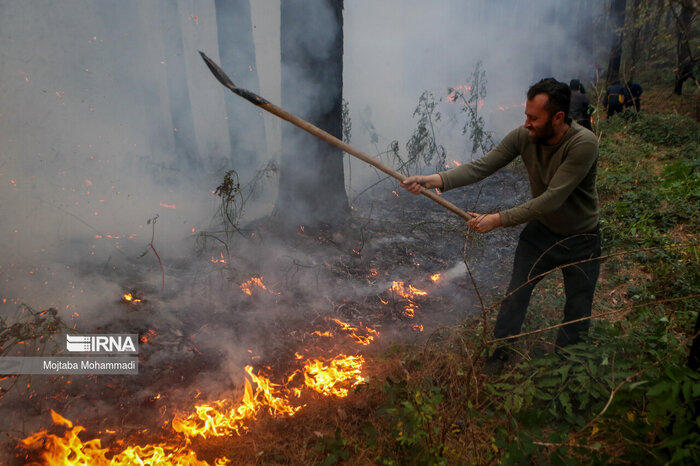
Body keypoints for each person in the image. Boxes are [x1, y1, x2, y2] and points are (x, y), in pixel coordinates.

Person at [401, 78, 601, 370]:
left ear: (558, 117)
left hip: (581, 239)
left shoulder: (583, 144)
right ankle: (498, 360)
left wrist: (497, 220)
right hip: (542, 234)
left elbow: (552, 199)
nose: (527, 123)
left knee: (578, 310)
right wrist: (434, 180)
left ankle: (567, 373)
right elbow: (482, 166)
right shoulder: (525, 137)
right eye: (526, 115)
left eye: (534, 118)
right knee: (515, 296)